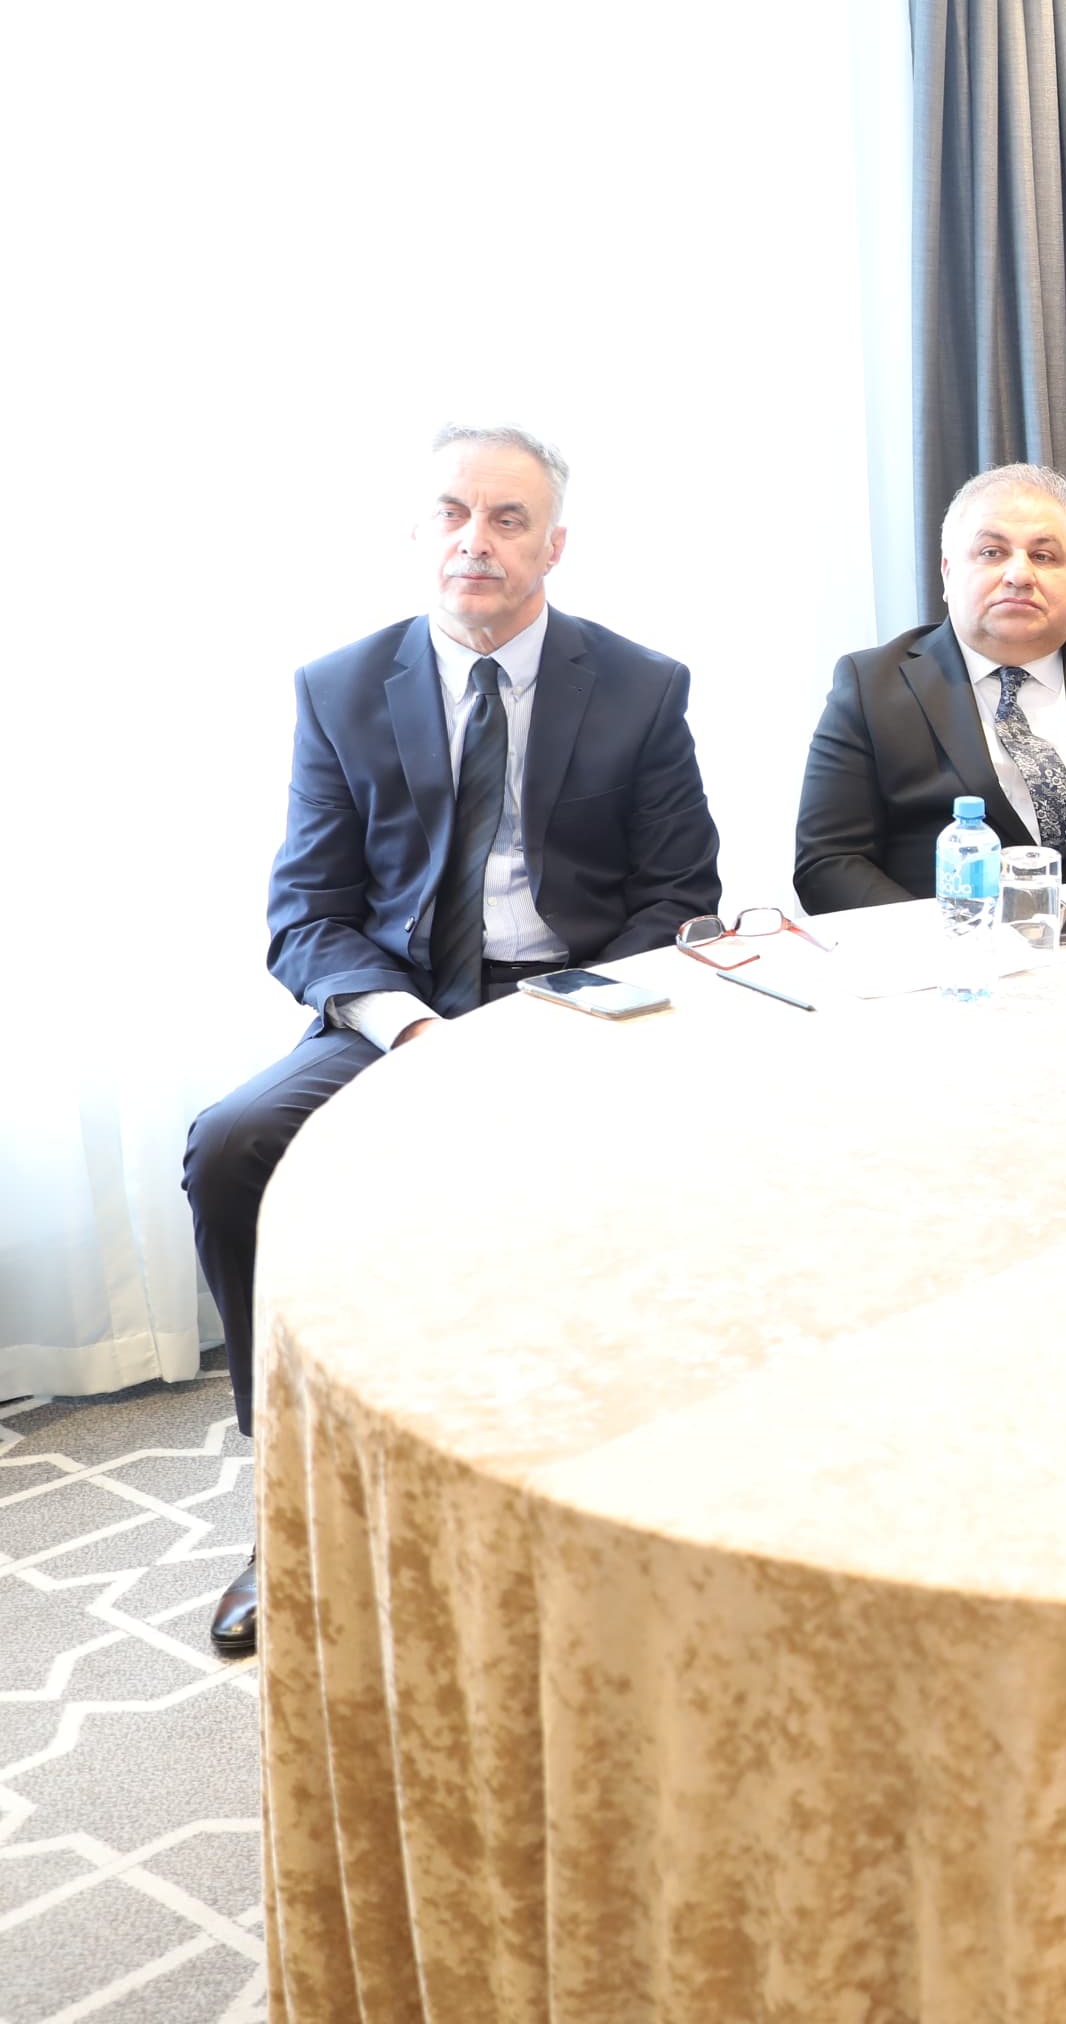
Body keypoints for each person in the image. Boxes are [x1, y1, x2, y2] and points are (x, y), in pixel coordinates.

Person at [181, 425, 722, 1660]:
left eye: (509, 518)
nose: (475, 539)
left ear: (556, 544)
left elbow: (679, 889)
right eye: (452, 514)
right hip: (408, 1009)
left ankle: (625, 1482)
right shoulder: (339, 685)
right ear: (420, 534)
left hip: (577, 1001)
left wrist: (560, 1014)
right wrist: (417, 1025)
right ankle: (290, 1505)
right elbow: (306, 914)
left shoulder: (641, 684)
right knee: (231, 1144)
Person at [795, 465, 1066, 910]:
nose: (1019, 575)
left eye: (1044, 557)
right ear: (948, 573)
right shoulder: (871, 688)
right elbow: (830, 862)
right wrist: (947, 940)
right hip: (950, 955)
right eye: (991, 552)